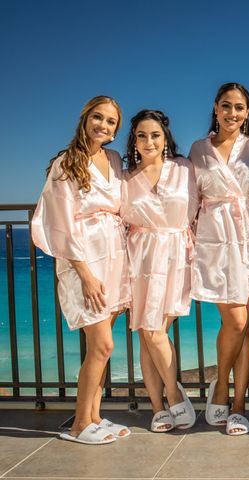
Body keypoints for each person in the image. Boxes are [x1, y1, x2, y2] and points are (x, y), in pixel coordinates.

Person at [32, 96, 131, 444]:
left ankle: (93, 416)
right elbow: (59, 222)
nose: (103, 125)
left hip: (116, 258)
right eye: (97, 117)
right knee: (103, 345)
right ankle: (77, 427)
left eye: (110, 122)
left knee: (97, 348)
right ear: (85, 118)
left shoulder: (115, 159)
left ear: (116, 129)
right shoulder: (66, 163)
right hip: (84, 262)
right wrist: (85, 274)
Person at [189, 83, 249, 435]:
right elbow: (187, 197)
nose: (232, 113)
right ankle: (221, 386)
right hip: (216, 243)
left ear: (248, 112)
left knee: (246, 325)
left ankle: (238, 404)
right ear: (216, 107)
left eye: (239, 107)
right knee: (235, 323)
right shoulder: (198, 149)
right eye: (226, 106)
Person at [121, 110, 198, 432]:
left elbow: (197, 210)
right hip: (139, 258)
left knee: (153, 332)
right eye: (142, 135)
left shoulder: (184, 168)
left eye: (155, 135)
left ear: (165, 138)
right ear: (133, 140)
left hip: (176, 254)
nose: (148, 141)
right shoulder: (124, 178)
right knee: (148, 333)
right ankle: (166, 400)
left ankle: (167, 397)